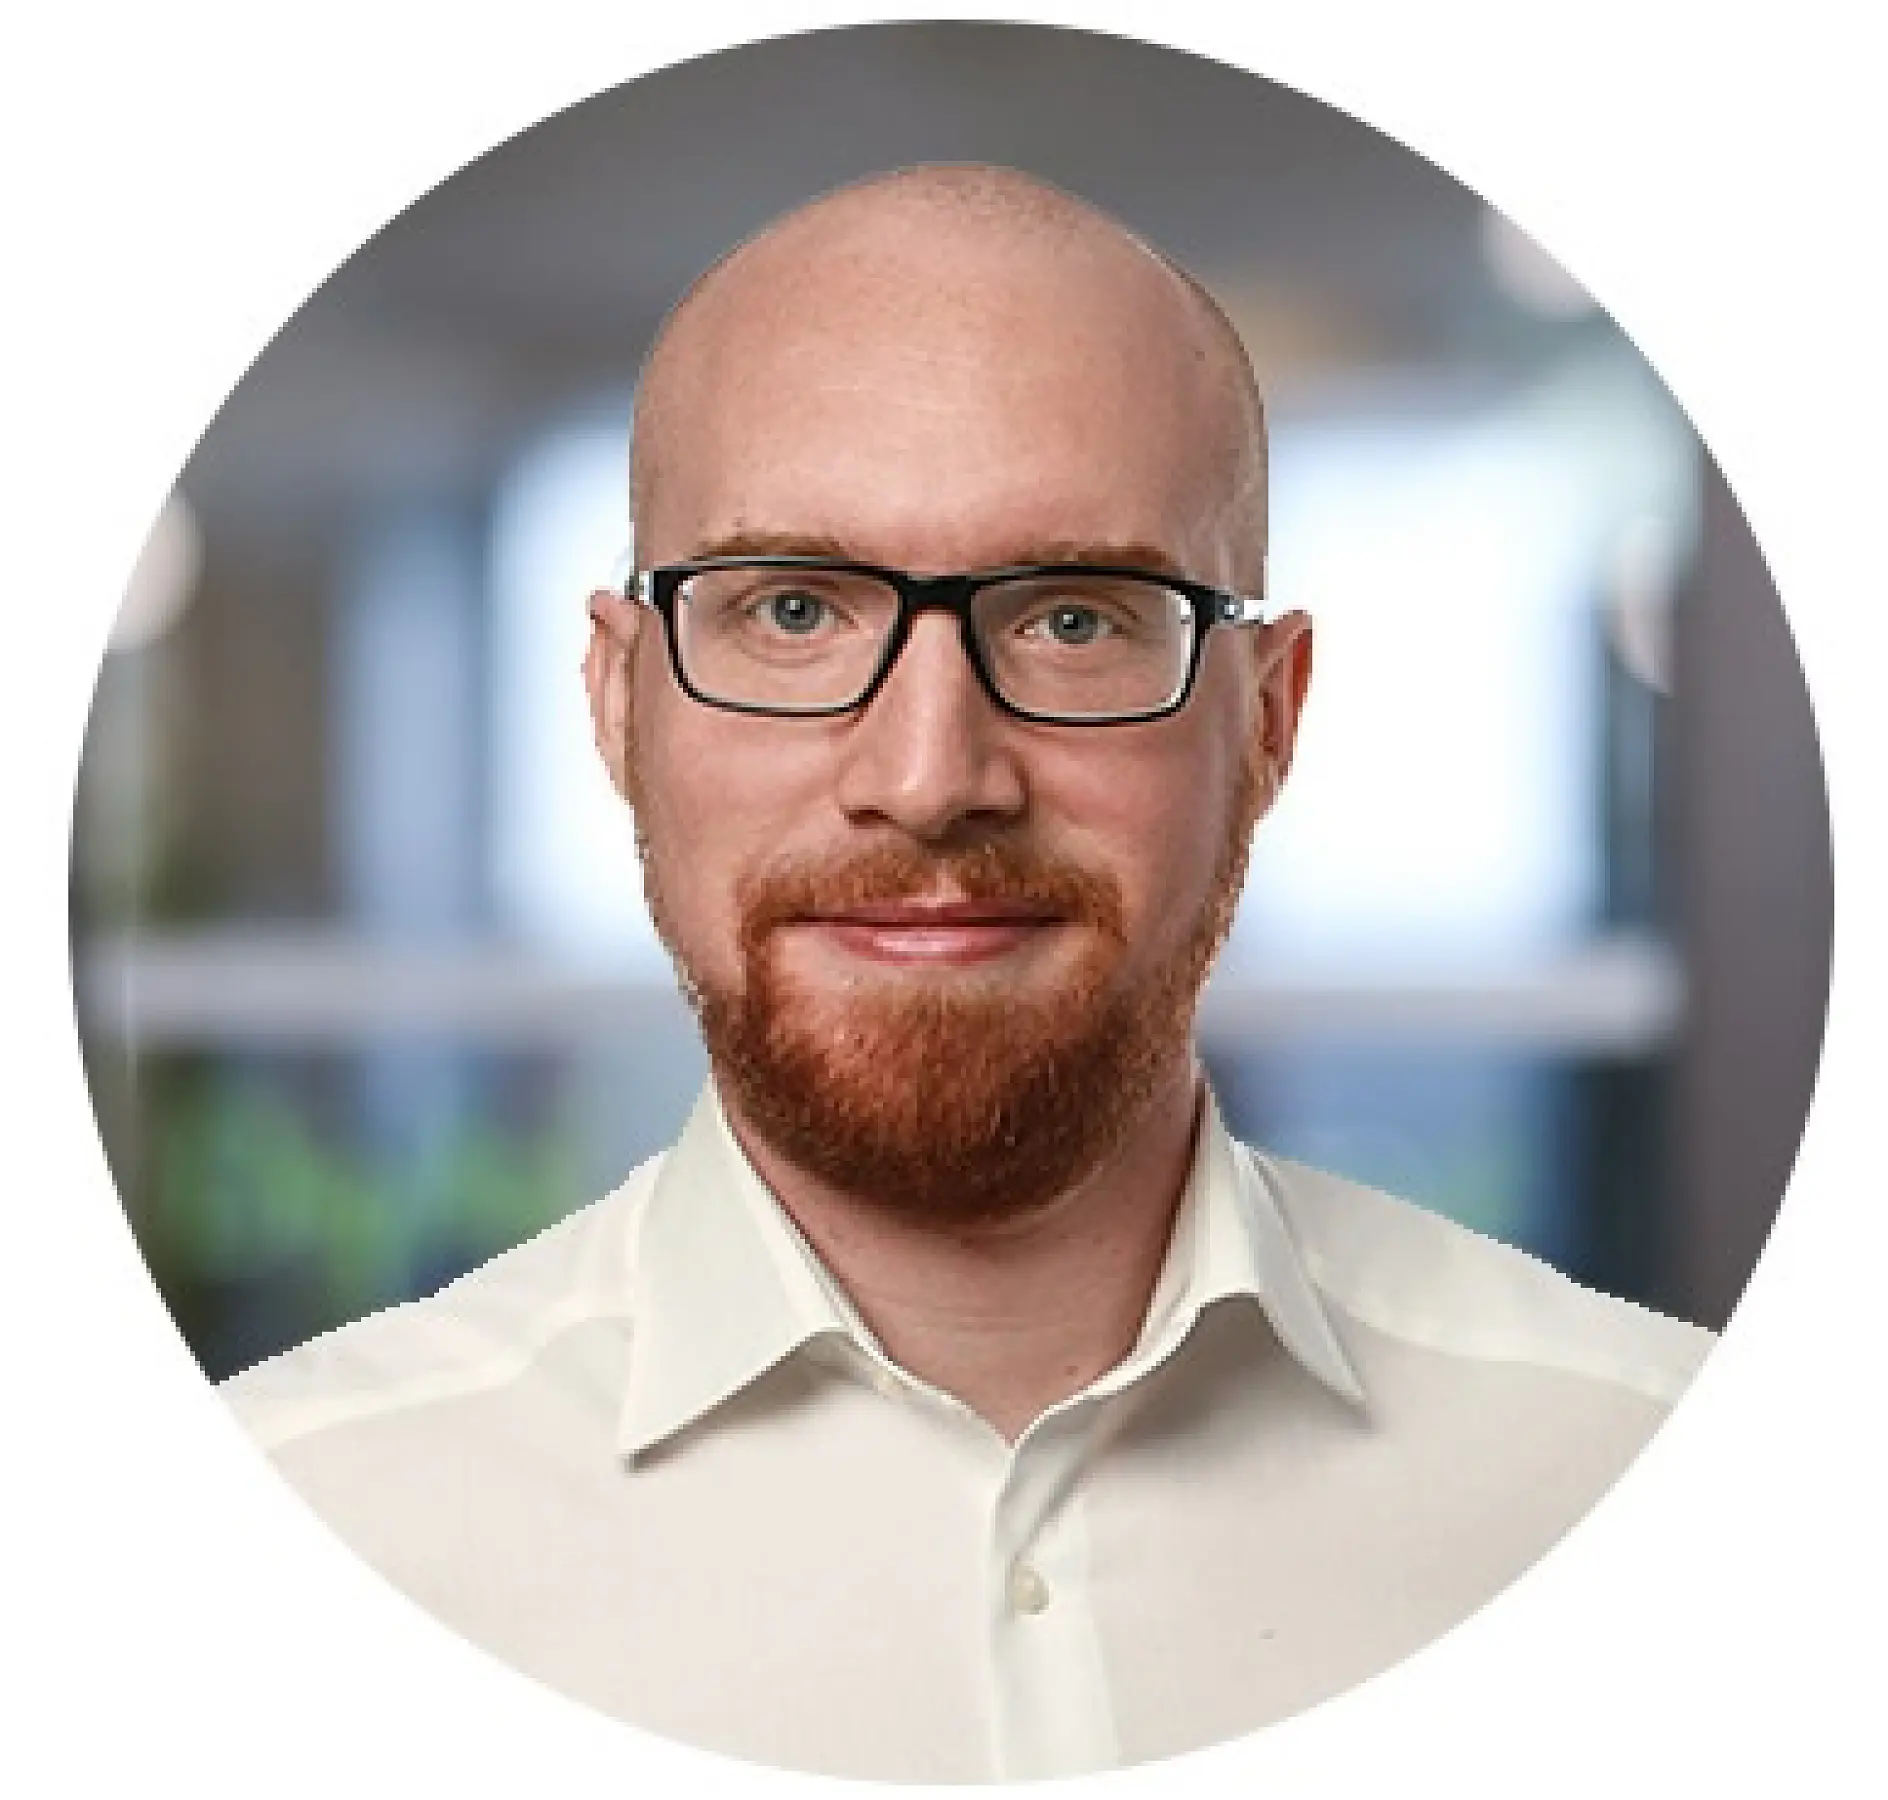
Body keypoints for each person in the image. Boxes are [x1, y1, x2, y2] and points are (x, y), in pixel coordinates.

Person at [225, 164, 1712, 1781]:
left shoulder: (1676, 1483)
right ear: (614, 702)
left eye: (1076, 618)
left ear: (1268, 720)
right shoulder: (272, 1536)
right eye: (792, 606)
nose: (932, 775)